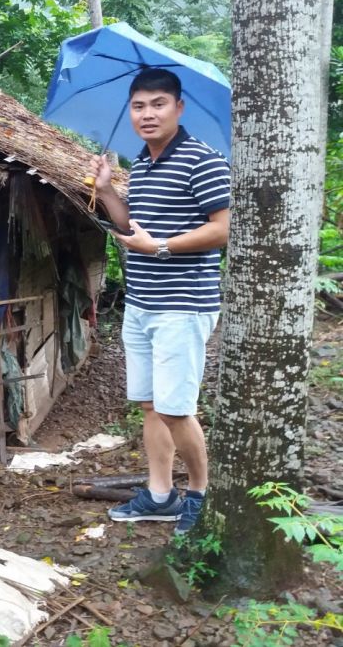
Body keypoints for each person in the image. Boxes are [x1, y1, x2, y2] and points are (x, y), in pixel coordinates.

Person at [90, 67, 230, 535]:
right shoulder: (144, 162)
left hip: (182, 305)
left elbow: (223, 228)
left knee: (175, 408)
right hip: (142, 302)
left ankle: (201, 495)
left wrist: (162, 247)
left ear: (178, 108)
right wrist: (107, 190)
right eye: (138, 106)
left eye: (158, 104)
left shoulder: (202, 159)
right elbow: (132, 226)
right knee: (151, 405)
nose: (147, 114)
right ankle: (159, 494)